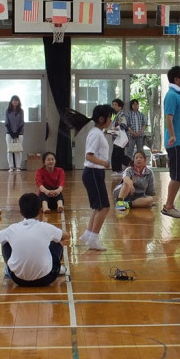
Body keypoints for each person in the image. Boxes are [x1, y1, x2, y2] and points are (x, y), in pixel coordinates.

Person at [0, 193, 70, 287]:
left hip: (18, 280)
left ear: (20, 212)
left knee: (4, 241)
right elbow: (66, 235)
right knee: (58, 239)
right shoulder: (45, 227)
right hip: (46, 279)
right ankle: (56, 268)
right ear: (40, 211)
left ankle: (9, 270)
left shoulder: (13, 228)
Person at [79, 104, 114, 251]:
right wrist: (104, 163)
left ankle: (88, 234)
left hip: (95, 173)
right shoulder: (95, 133)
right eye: (109, 117)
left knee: (98, 206)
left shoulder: (99, 132)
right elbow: (89, 155)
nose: (111, 120)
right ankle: (93, 237)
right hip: (93, 172)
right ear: (102, 118)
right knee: (104, 207)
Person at [162, 65, 180, 218]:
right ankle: (168, 206)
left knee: (178, 175)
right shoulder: (172, 95)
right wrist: (172, 136)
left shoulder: (179, 95)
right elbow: (168, 117)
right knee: (177, 176)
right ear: (176, 79)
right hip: (176, 143)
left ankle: (169, 205)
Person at [110, 98, 132, 177]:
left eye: (115, 105)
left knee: (118, 154)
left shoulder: (122, 115)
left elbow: (124, 125)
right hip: (117, 138)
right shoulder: (117, 115)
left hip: (120, 138)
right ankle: (118, 170)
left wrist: (116, 127)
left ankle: (132, 164)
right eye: (113, 105)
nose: (114, 106)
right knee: (117, 154)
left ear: (120, 107)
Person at [5, 95, 25, 172]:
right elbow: (6, 123)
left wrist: (17, 133)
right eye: (13, 100)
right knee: (9, 149)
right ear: (11, 101)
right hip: (9, 133)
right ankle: (11, 167)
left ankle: (18, 167)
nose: (15, 102)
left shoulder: (21, 111)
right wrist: (11, 133)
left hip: (19, 133)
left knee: (18, 149)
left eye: (16, 100)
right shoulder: (8, 111)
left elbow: (22, 122)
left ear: (18, 102)